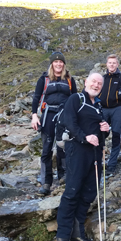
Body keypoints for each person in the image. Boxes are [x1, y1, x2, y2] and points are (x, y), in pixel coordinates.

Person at [56, 72, 110, 241]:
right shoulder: (76, 99)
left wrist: (105, 130)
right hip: (77, 149)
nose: (96, 85)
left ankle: (78, 231)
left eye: (99, 84)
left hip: (94, 153)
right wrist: (84, 137)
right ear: (86, 82)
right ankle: (63, 235)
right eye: (94, 82)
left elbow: (100, 134)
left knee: (89, 192)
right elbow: (69, 122)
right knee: (72, 191)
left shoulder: (99, 106)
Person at [31, 52, 77, 196]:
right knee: (47, 149)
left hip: (64, 116)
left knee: (63, 146)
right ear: (52, 64)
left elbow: (75, 98)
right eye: (56, 62)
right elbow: (37, 97)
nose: (58, 64)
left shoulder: (69, 79)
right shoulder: (43, 79)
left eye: (61, 62)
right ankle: (46, 182)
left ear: (64, 64)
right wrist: (34, 116)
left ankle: (63, 177)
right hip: (48, 115)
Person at [98, 54, 121, 174]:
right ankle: (98, 163)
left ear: (117, 64)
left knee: (116, 135)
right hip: (103, 109)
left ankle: (111, 165)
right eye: (110, 63)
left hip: (117, 109)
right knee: (100, 134)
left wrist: (120, 98)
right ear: (107, 64)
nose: (112, 65)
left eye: (114, 63)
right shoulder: (103, 78)